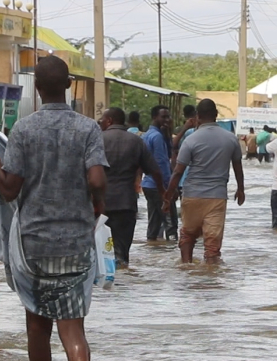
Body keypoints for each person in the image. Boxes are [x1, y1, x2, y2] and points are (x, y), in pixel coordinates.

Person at [0, 55, 108, 361]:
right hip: (75, 241)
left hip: (32, 244)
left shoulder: (23, 129)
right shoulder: (88, 128)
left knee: (36, 326)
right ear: (67, 85)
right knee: (73, 329)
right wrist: (96, 209)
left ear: (38, 88)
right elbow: (97, 181)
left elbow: (8, 190)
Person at [162, 98, 244, 264]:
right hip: (217, 196)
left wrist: (168, 196)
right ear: (216, 115)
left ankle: (186, 268)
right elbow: (237, 167)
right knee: (212, 245)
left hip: (192, 195)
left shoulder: (191, 139)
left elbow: (178, 171)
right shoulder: (230, 139)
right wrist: (240, 189)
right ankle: (211, 280)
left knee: (188, 235)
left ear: (198, 116)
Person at [99, 106, 165, 267]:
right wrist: (163, 194)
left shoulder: (97, 139)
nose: (100, 122)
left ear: (109, 121)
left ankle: (106, 289)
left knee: (101, 254)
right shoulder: (136, 142)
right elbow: (155, 171)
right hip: (126, 204)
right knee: (122, 254)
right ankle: (124, 285)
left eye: (102, 119)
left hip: (100, 204)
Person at [142, 104, 176, 241]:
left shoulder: (148, 135)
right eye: (163, 117)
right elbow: (162, 164)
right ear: (155, 117)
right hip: (159, 186)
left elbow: (167, 154)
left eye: (168, 116)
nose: (167, 120)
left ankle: (152, 253)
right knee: (170, 223)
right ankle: (173, 255)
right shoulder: (156, 137)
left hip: (149, 185)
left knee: (154, 223)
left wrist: (167, 135)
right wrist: (169, 188)